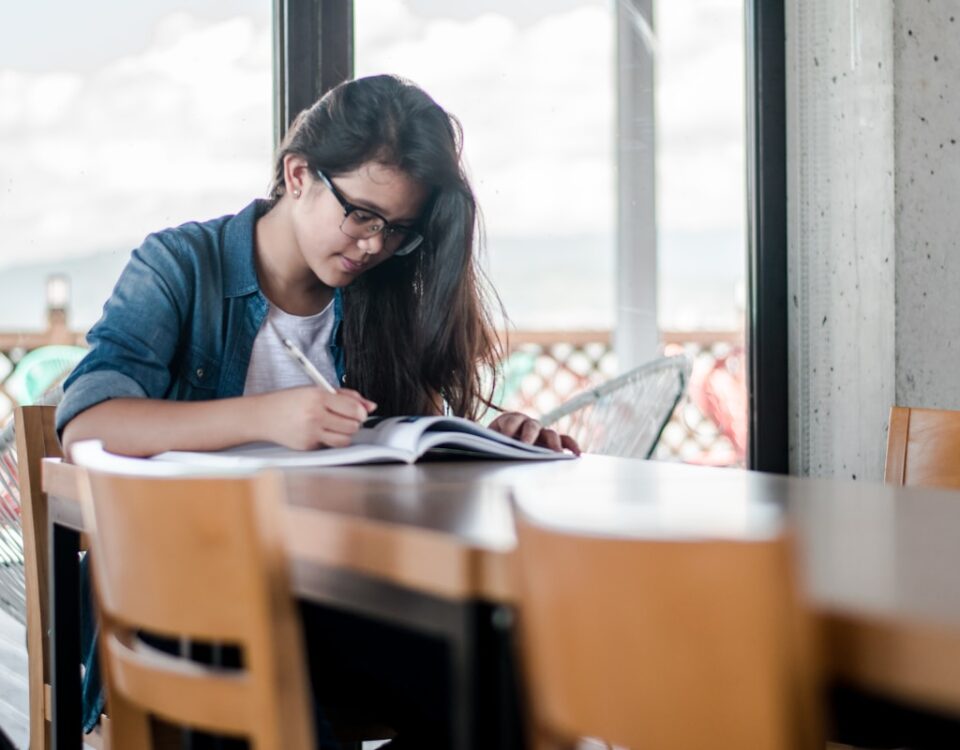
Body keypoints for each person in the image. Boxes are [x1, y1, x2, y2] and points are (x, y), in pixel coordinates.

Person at [57, 74, 578, 747]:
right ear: (298, 173)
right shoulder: (181, 265)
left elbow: (396, 452)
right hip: (185, 589)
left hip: (335, 592)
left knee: (505, 665)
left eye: (398, 230)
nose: (373, 246)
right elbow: (88, 425)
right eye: (361, 214)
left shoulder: (380, 297)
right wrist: (265, 417)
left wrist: (485, 442)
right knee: (247, 659)